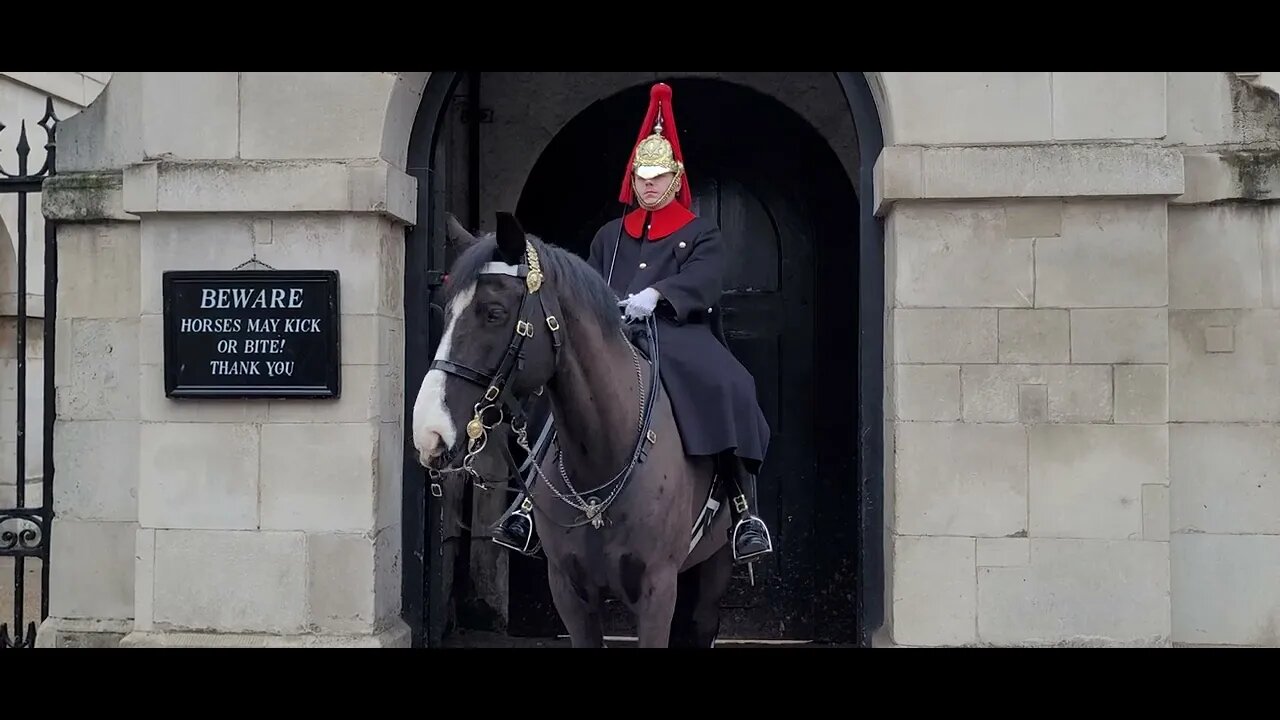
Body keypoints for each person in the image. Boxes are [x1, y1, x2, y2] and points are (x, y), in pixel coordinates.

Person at [492, 81, 774, 564]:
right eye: (642, 175)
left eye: (658, 176)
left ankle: (742, 507)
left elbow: (706, 281)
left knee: (730, 384)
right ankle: (525, 506)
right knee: (551, 387)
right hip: (611, 334)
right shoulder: (609, 235)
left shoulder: (699, 231)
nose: (648, 184)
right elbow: (586, 284)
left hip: (676, 332)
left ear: (675, 177)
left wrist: (659, 295)